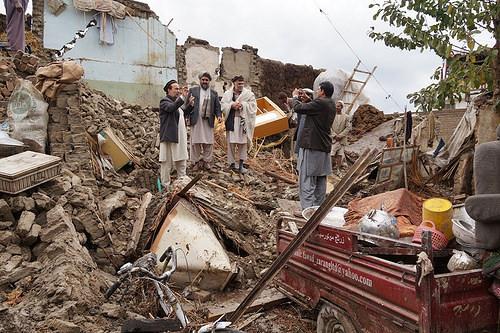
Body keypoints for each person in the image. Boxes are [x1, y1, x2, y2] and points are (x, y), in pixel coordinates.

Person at [292, 81, 336, 210]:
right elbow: (315, 108)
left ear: (322, 91)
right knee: (320, 182)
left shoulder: (320, 103)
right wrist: (308, 99)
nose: (317, 91)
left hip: (312, 147)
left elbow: (298, 108)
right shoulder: (331, 103)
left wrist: (295, 97)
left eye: (318, 89)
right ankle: (318, 211)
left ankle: (307, 212)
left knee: (307, 181)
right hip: (324, 148)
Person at [158, 80, 194, 188]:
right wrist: (182, 98)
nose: (178, 91)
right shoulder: (164, 101)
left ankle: (182, 183)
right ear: (169, 90)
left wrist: (190, 105)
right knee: (166, 162)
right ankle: (166, 185)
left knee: (181, 159)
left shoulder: (176, 103)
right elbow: (171, 108)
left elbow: (181, 113)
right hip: (169, 137)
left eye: (179, 89)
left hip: (179, 138)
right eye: (176, 89)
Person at [185, 72, 222, 171]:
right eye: (203, 79)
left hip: (208, 121)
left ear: (209, 81)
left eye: (207, 80)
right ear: (200, 80)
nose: (205, 81)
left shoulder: (214, 93)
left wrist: (219, 116)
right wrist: (189, 105)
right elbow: (186, 106)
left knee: (208, 142)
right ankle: (195, 162)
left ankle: (206, 161)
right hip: (196, 120)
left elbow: (217, 107)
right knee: (195, 142)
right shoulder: (193, 90)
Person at [221, 75, 257, 174]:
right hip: (232, 121)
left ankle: (241, 165)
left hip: (243, 123)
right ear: (234, 83)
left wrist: (243, 105)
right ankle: (232, 164)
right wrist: (231, 105)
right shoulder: (227, 94)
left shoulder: (249, 94)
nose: (241, 85)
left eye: (242, 83)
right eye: (238, 83)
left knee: (243, 143)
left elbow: (254, 107)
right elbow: (223, 105)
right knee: (231, 143)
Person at [330, 100, 352, 172]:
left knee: (340, 154)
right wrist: (334, 135)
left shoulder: (346, 117)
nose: (337, 107)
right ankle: (330, 168)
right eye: (336, 106)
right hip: (333, 139)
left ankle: (338, 169)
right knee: (331, 154)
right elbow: (329, 126)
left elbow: (348, 127)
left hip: (341, 140)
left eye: (338, 106)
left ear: (341, 107)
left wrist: (340, 136)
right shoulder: (331, 115)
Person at [293, 88, 314, 156]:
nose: (302, 97)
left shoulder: (311, 107)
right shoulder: (302, 105)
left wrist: (295, 97)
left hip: (308, 138)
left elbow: (297, 107)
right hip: (301, 135)